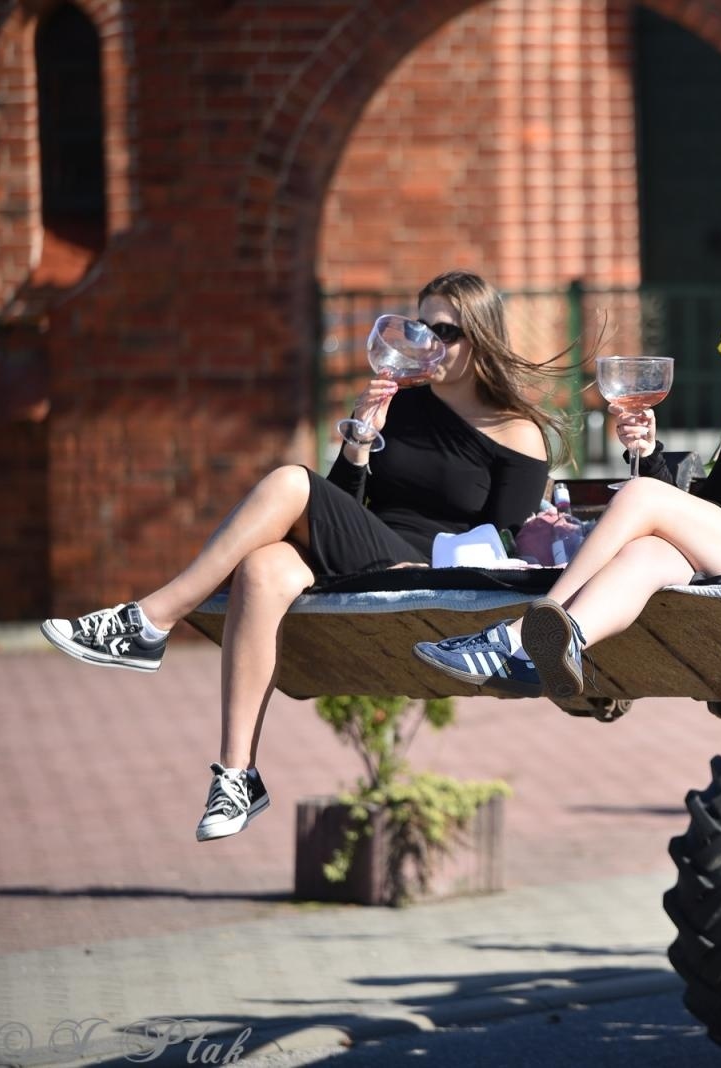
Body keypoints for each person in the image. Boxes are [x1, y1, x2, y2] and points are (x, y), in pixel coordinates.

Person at [41, 270, 558, 841]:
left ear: (481, 338)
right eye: (421, 327)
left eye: (446, 331)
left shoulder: (516, 433)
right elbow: (343, 501)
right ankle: (237, 775)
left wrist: (436, 572)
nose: (430, 342)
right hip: (364, 551)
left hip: (432, 568)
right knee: (262, 570)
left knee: (291, 480)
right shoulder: (401, 406)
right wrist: (361, 440)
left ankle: (152, 619)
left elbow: (509, 550)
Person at [412, 262, 721, 699]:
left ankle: (522, 631)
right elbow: (711, 500)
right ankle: (558, 644)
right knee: (648, 553)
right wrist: (648, 452)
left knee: (642, 496)